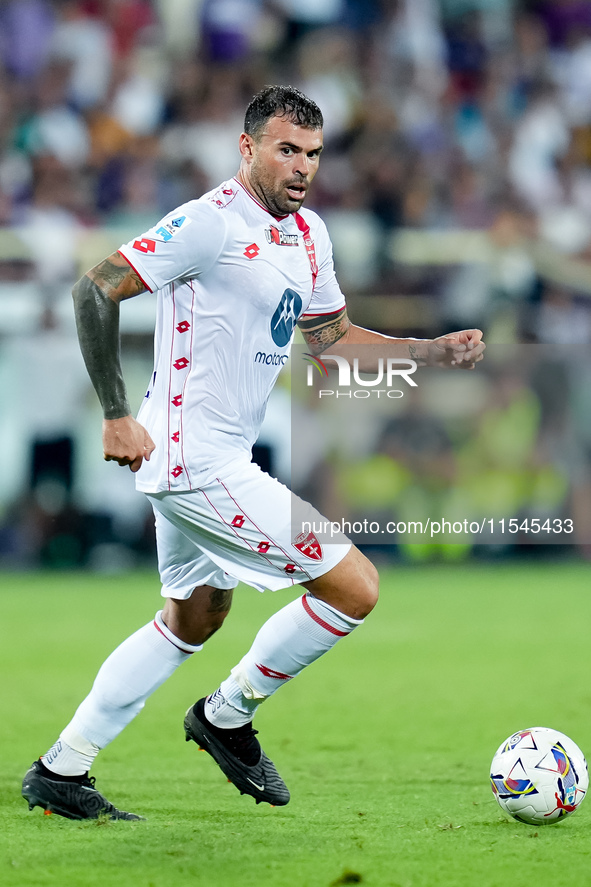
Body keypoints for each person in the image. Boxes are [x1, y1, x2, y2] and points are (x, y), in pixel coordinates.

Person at [22, 85, 485, 821]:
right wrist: (114, 413)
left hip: (214, 456)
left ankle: (61, 768)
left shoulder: (308, 236)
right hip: (193, 459)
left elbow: (329, 339)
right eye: (285, 149)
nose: (301, 166)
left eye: (312, 153)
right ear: (246, 149)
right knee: (355, 586)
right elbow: (95, 290)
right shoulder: (209, 223)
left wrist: (427, 350)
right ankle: (227, 714)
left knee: (193, 616)